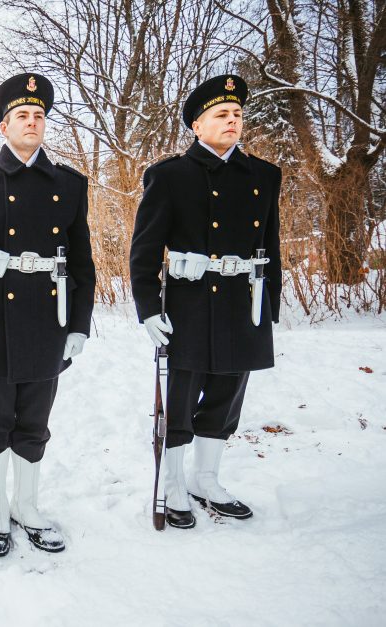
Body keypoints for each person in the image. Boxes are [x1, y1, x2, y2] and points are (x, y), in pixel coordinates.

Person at [0, 73, 96, 557]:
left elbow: (83, 261)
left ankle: (27, 507)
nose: (32, 122)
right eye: (22, 116)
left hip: (49, 322)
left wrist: (78, 325)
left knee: (35, 422)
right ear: (4, 126)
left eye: (39, 116)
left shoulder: (69, 184)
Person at [130, 74, 281, 529]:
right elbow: (144, 247)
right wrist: (148, 307)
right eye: (221, 114)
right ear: (198, 125)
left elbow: (270, 245)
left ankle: (206, 479)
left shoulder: (264, 175)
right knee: (180, 398)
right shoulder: (170, 175)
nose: (232, 120)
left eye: (237, 114)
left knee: (226, 395)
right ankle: (173, 482)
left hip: (243, 303)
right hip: (189, 305)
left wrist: (269, 306)